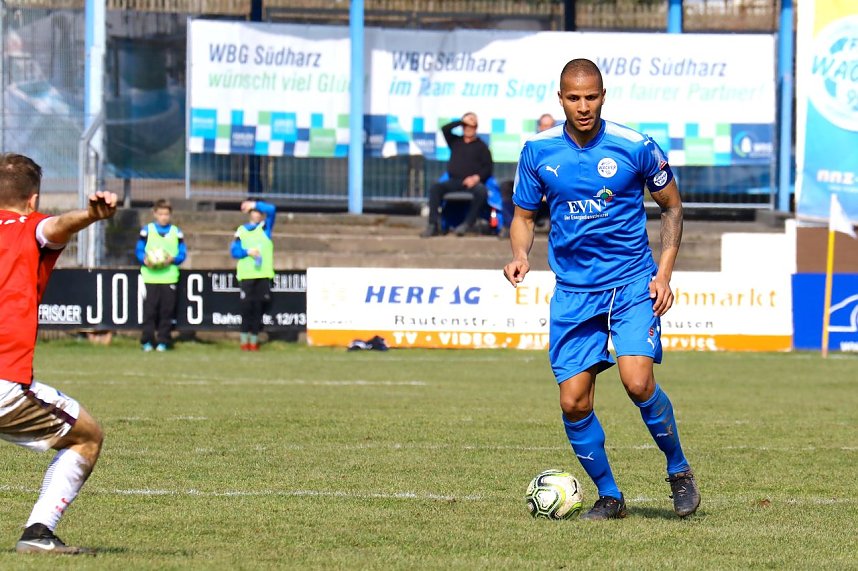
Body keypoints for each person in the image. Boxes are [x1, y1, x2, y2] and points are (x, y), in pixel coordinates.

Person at [502, 59, 699, 520]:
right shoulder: (537, 151)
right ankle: (610, 496)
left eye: (591, 97)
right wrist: (520, 255)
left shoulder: (635, 146)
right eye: (574, 98)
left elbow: (672, 207)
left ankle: (678, 469)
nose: (583, 106)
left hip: (631, 282)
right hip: (574, 291)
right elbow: (524, 216)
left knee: (637, 381)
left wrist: (663, 274)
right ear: (561, 99)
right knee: (573, 401)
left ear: (603, 96)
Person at [0, 153, 117, 554]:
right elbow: (56, 227)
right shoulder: (29, 226)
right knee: (87, 437)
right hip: (3, 381)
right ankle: (38, 533)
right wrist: (90, 215)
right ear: (32, 200)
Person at [420, 112, 493, 237]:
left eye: (472, 126)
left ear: (476, 128)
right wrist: (462, 121)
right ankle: (433, 225)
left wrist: (476, 178)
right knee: (435, 189)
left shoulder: (482, 147)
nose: (468, 128)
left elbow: (488, 168)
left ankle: (466, 224)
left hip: (472, 184)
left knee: (482, 191)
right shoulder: (455, 142)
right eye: (466, 126)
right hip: (454, 181)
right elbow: (445, 129)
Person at [136, 198, 187, 352]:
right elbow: (139, 250)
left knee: (167, 311)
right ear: (155, 214)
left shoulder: (176, 232)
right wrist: (145, 260)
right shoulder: (147, 230)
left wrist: (174, 259)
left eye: (166, 214)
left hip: (169, 276)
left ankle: (164, 341)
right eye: (161, 214)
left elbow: (183, 253)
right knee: (150, 310)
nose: (164, 217)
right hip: (150, 276)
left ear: (170, 215)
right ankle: (147, 341)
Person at [498, 113, 556, 239]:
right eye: (544, 125)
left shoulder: (560, 147)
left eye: (549, 126)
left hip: (553, 184)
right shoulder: (531, 146)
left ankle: (556, 228)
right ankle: (508, 226)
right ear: (539, 127)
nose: (546, 129)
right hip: (533, 183)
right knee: (506, 186)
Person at [230, 199, 276, 351]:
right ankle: (244, 341)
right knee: (246, 309)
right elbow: (234, 251)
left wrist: (255, 204)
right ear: (249, 214)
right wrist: (247, 252)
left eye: (258, 212)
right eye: (254, 212)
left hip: (262, 275)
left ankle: (254, 342)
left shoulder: (265, 228)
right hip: (246, 275)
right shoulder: (241, 230)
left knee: (258, 309)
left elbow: (272, 209)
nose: (256, 215)